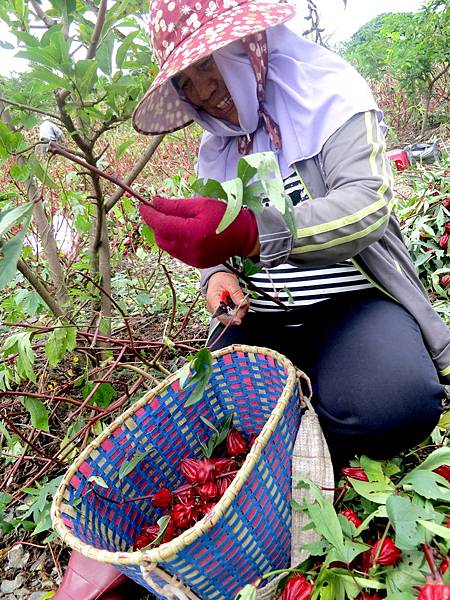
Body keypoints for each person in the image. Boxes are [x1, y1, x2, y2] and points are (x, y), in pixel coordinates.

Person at [55, 0, 449, 597]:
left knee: (400, 400)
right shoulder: (217, 149)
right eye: (187, 83)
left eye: (210, 66)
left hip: (352, 306)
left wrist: (252, 231)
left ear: (249, 46)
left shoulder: (329, 94)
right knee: (205, 410)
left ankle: (287, 436)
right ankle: (249, 465)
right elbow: (221, 253)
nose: (206, 92)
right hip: (269, 315)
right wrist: (215, 271)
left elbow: (366, 208)